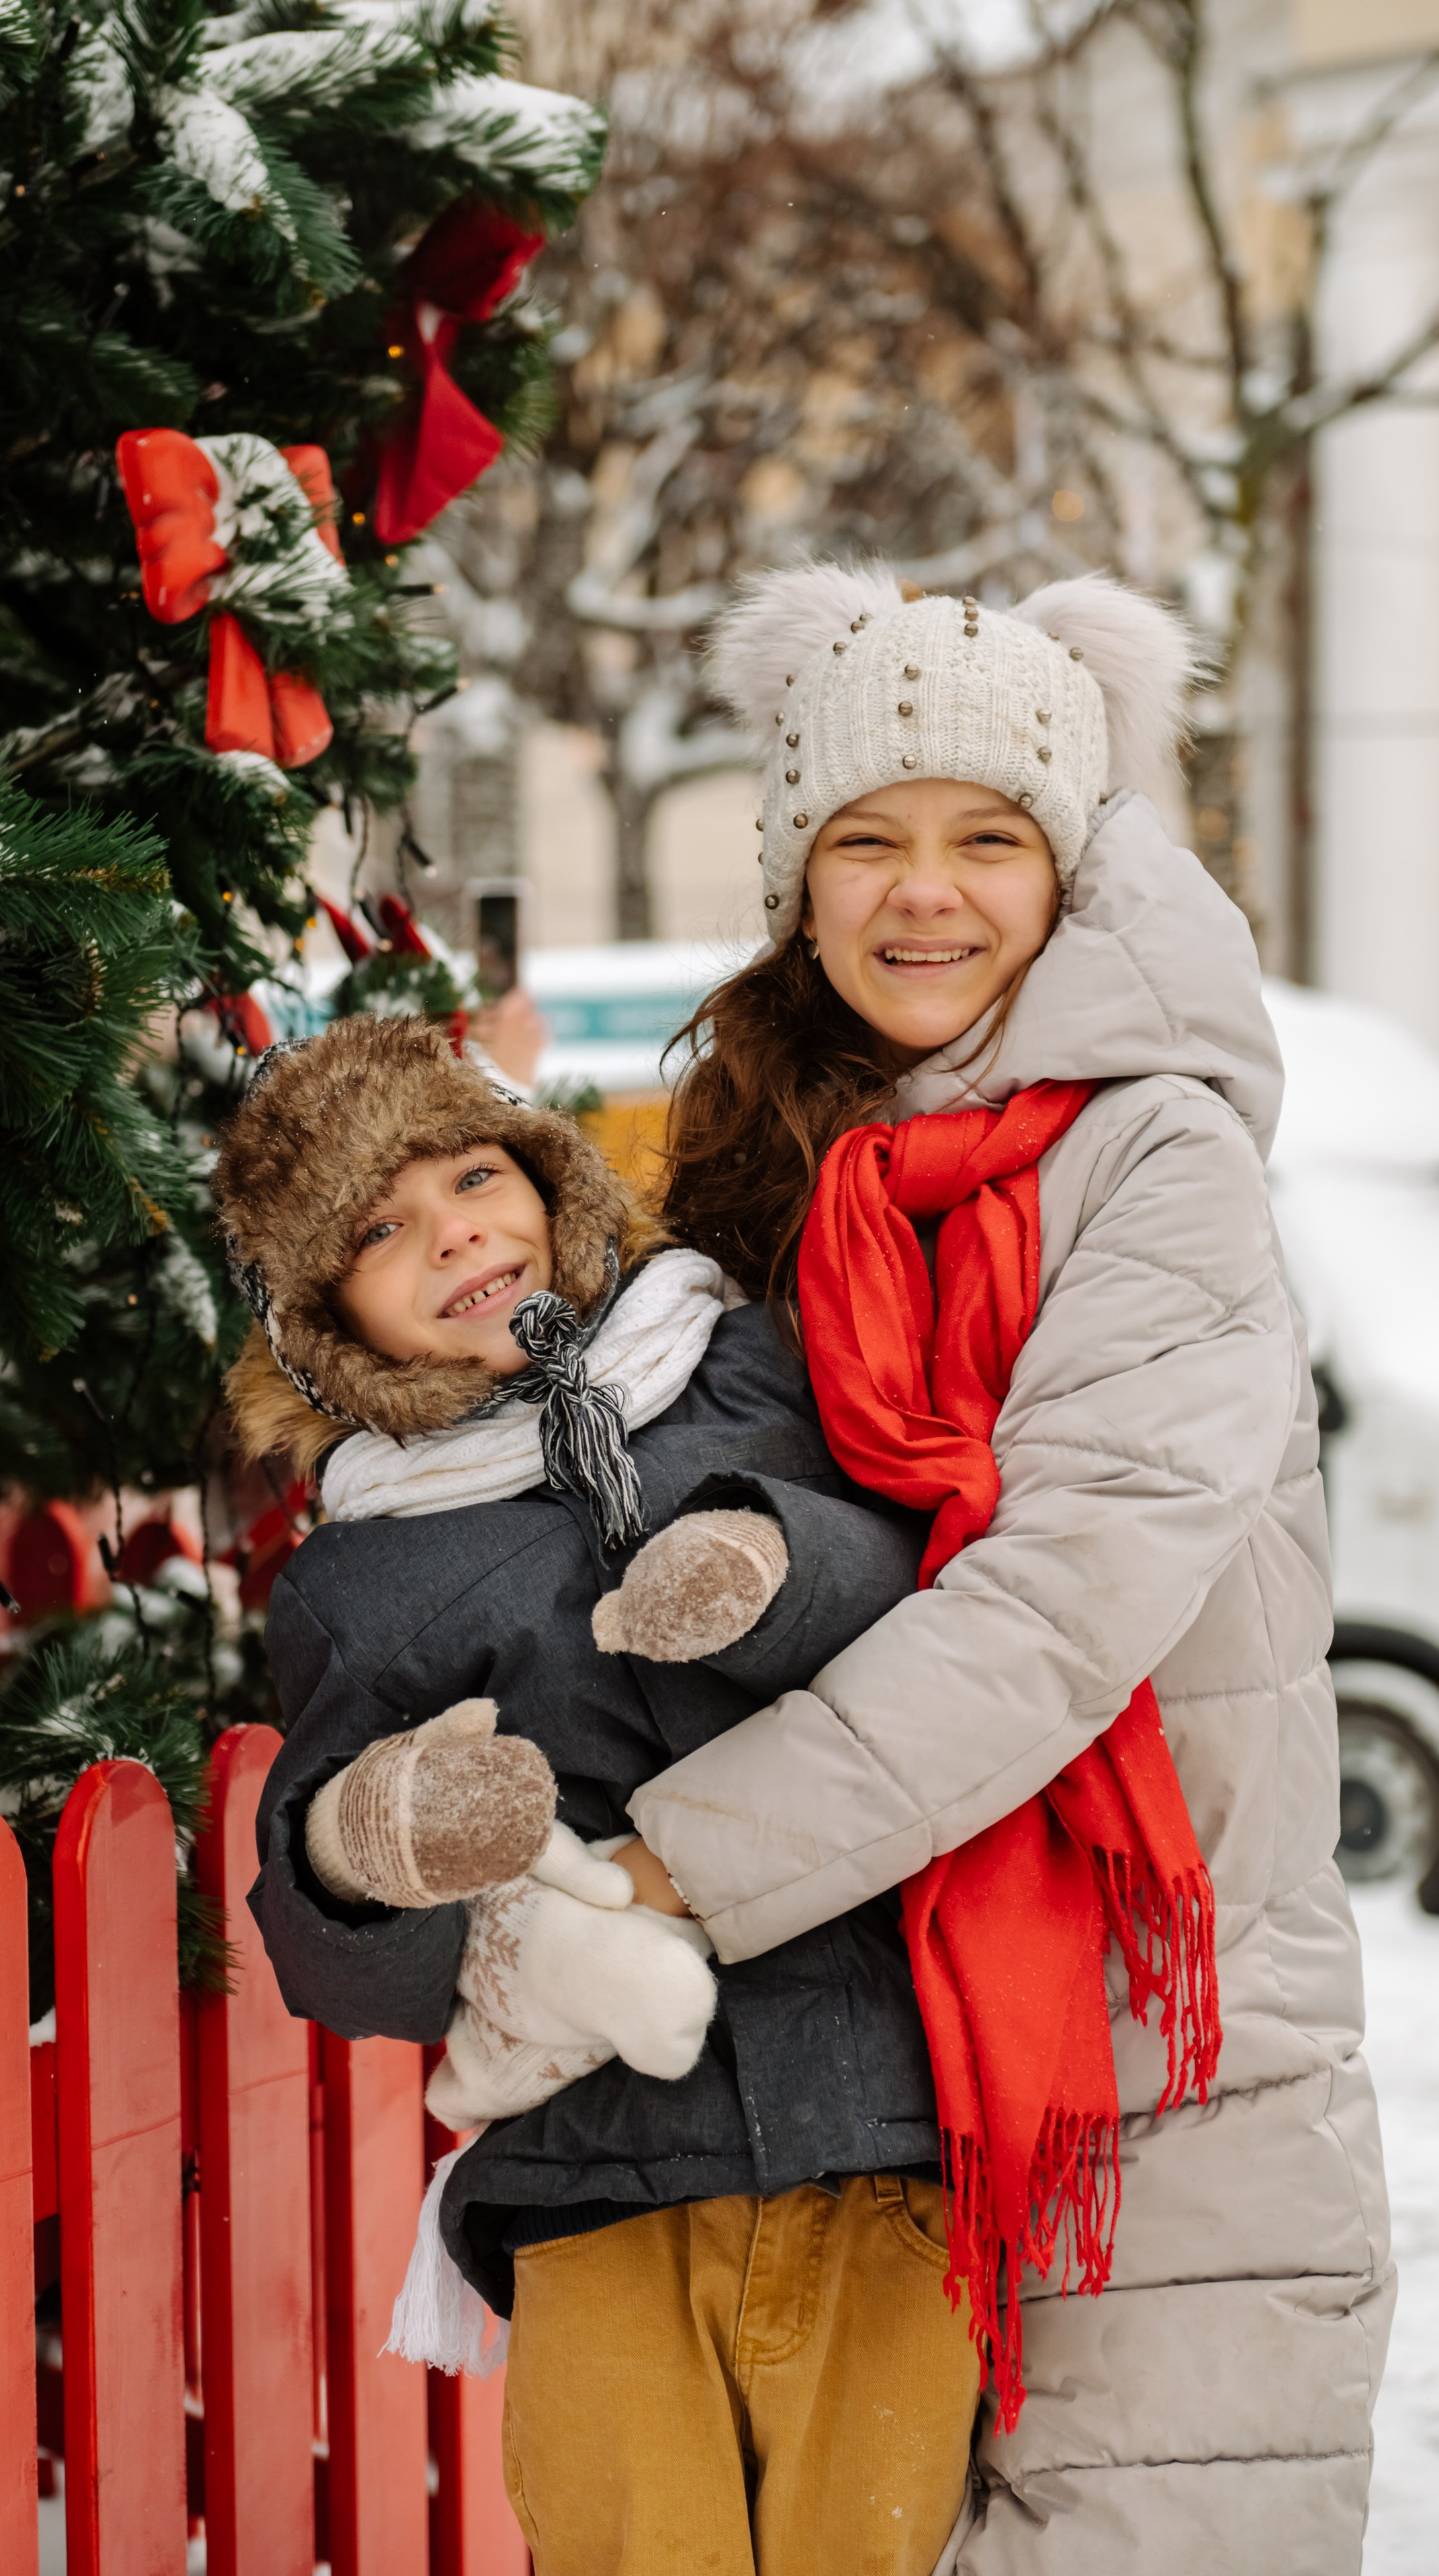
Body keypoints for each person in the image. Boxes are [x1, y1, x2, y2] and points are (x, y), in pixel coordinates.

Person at [598, 560, 1394, 2573]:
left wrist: (669, 1867)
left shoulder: (1157, 1157)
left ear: (1072, 865)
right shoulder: (794, 1155)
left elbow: (1059, 1608)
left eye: (988, 837)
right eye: (866, 836)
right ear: (797, 872)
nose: (924, 891)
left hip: (1165, 2096)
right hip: (879, 2075)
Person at [217, 1012, 980, 2576]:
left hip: (881, 2122)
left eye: (475, 1175)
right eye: (380, 1229)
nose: (455, 1233)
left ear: (550, 1180)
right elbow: (330, 1945)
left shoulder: (741, 1360)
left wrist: (770, 1564)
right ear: (324, 1319)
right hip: (597, 2180)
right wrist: (364, 1846)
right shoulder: (361, 1572)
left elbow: (922, 1598)